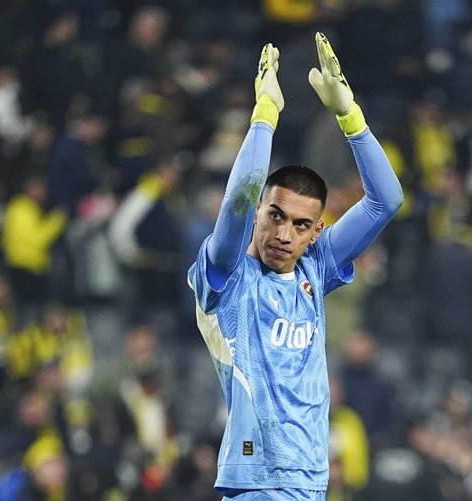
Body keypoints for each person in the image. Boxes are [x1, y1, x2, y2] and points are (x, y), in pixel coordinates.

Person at [187, 33, 403, 500]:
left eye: (300, 224)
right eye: (275, 216)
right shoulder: (227, 276)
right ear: (259, 213)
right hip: (258, 481)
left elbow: (385, 201)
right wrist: (265, 116)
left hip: (310, 482)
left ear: (315, 232)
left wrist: (350, 117)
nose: (284, 234)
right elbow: (238, 200)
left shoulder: (315, 268)